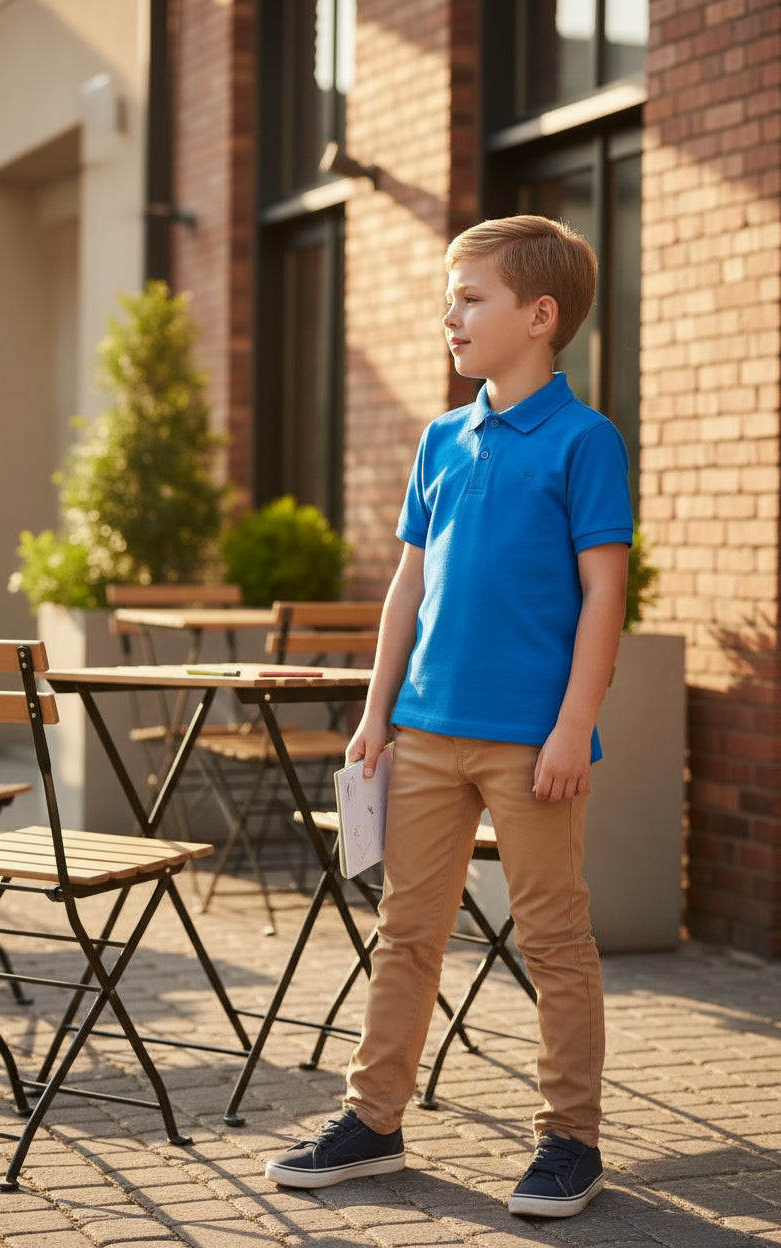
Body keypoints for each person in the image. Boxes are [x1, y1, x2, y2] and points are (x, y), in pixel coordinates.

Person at [265, 215, 633, 1218]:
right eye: (449, 297)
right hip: (423, 733)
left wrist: (571, 725)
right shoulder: (440, 437)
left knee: (551, 936)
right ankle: (373, 1120)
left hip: (530, 744)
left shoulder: (582, 441)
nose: (451, 314)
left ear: (538, 315)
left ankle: (570, 1140)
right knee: (406, 930)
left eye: (471, 298)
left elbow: (606, 594)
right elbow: (406, 589)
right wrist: (375, 713)